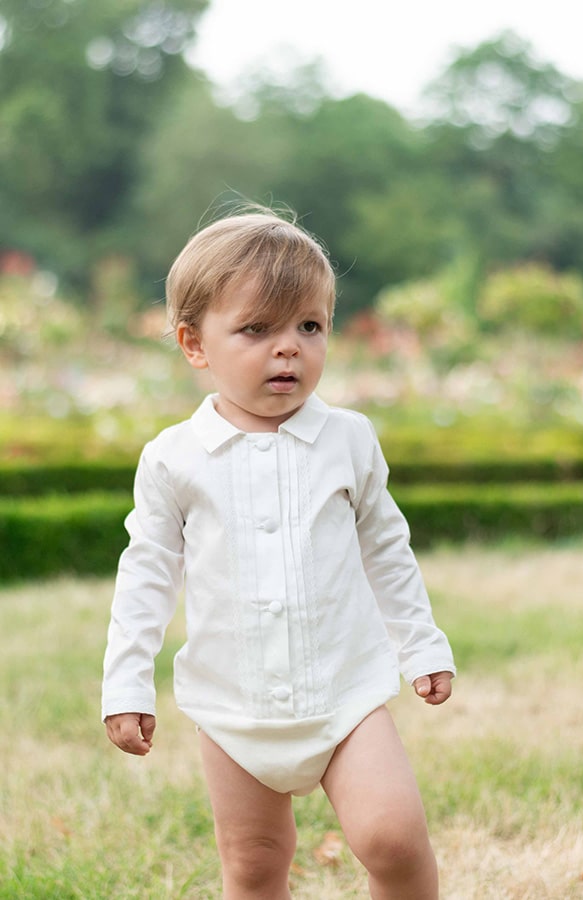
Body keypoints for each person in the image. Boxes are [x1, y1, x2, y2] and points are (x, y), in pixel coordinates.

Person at [102, 207, 455, 900]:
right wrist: (126, 682)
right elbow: (145, 575)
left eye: (309, 326)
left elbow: (387, 549)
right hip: (232, 704)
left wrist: (423, 645)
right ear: (194, 344)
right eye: (257, 329)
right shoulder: (174, 459)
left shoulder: (348, 440)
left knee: (393, 839)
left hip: (344, 694)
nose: (288, 347)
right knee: (257, 861)